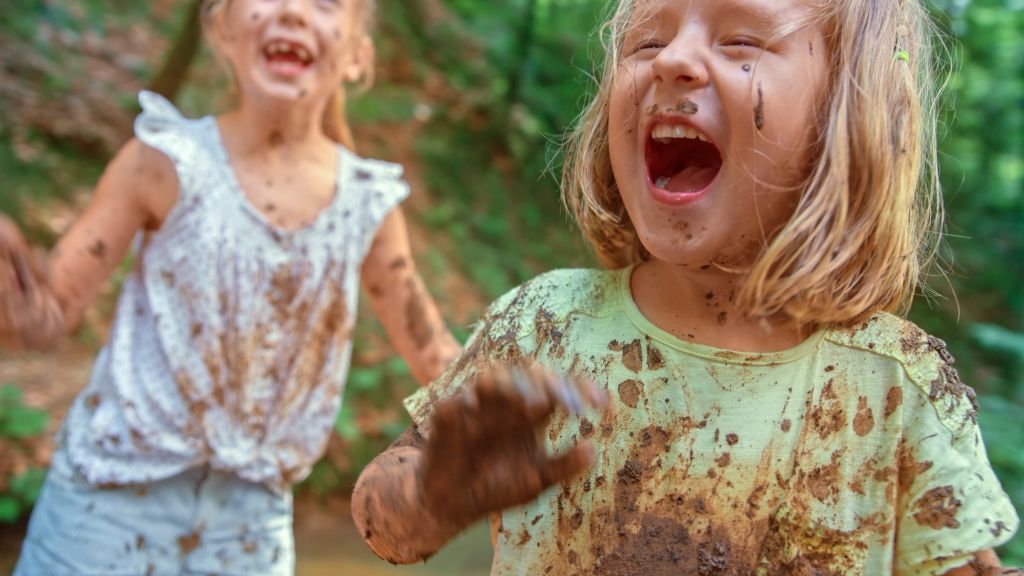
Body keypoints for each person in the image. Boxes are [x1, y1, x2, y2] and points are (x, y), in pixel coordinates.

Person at [350, 0, 1023, 573]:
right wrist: (437, 495)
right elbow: (382, 523)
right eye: (647, 39)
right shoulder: (544, 325)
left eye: (740, 41)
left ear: (846, 115)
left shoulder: (897, 385)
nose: (673, 60)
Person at [0, 0, 461, 574]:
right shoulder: (163, 162)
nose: (292, 11)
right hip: (102, 508)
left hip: (249, 531)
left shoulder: (367, 206)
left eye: (325, 3)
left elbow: (439, 363)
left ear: (357, 55)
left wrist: (515, 412)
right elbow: (50, 313)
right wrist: (15, 302)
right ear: (222, 28)